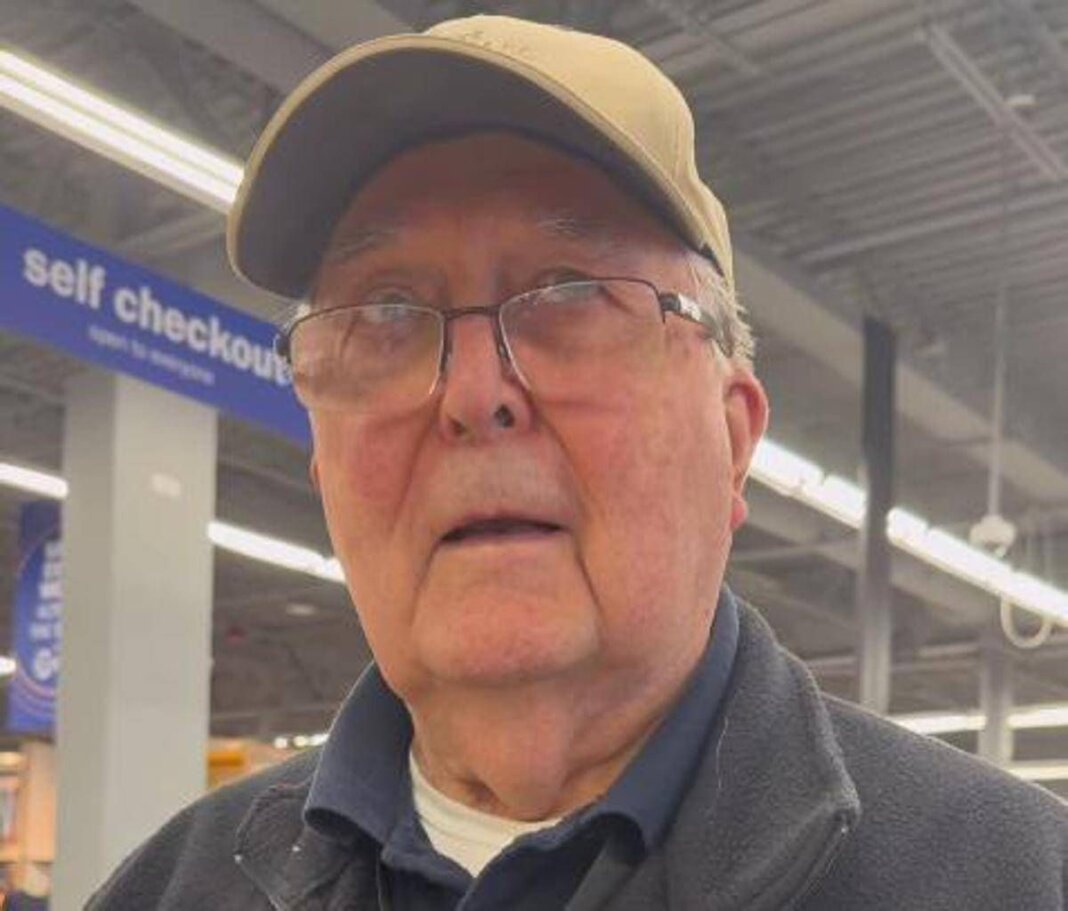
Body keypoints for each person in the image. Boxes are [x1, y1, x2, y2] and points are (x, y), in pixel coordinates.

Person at [89, 14, 1066, 910]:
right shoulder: (171, 889)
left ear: (733, 441)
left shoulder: (1011, 878)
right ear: (324, 468)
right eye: (384, 313)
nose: (471, 393)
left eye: (569, 294)